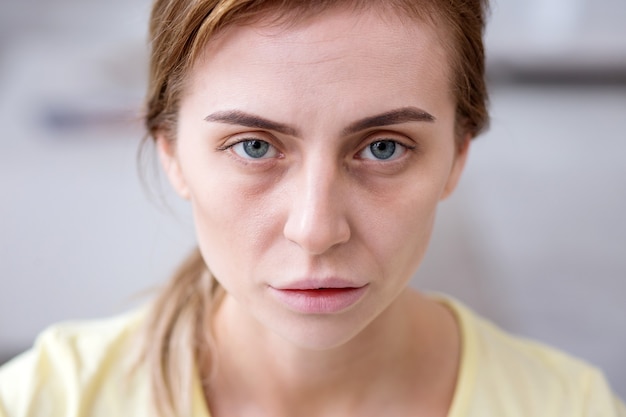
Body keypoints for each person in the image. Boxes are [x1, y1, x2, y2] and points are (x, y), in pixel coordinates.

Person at [0, 0, 624, 416]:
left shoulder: (570, 405)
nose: (317, 230)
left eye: (383, 147)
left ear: (457, 155)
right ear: (171, 153)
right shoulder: (41, 401)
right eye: (254, 146)